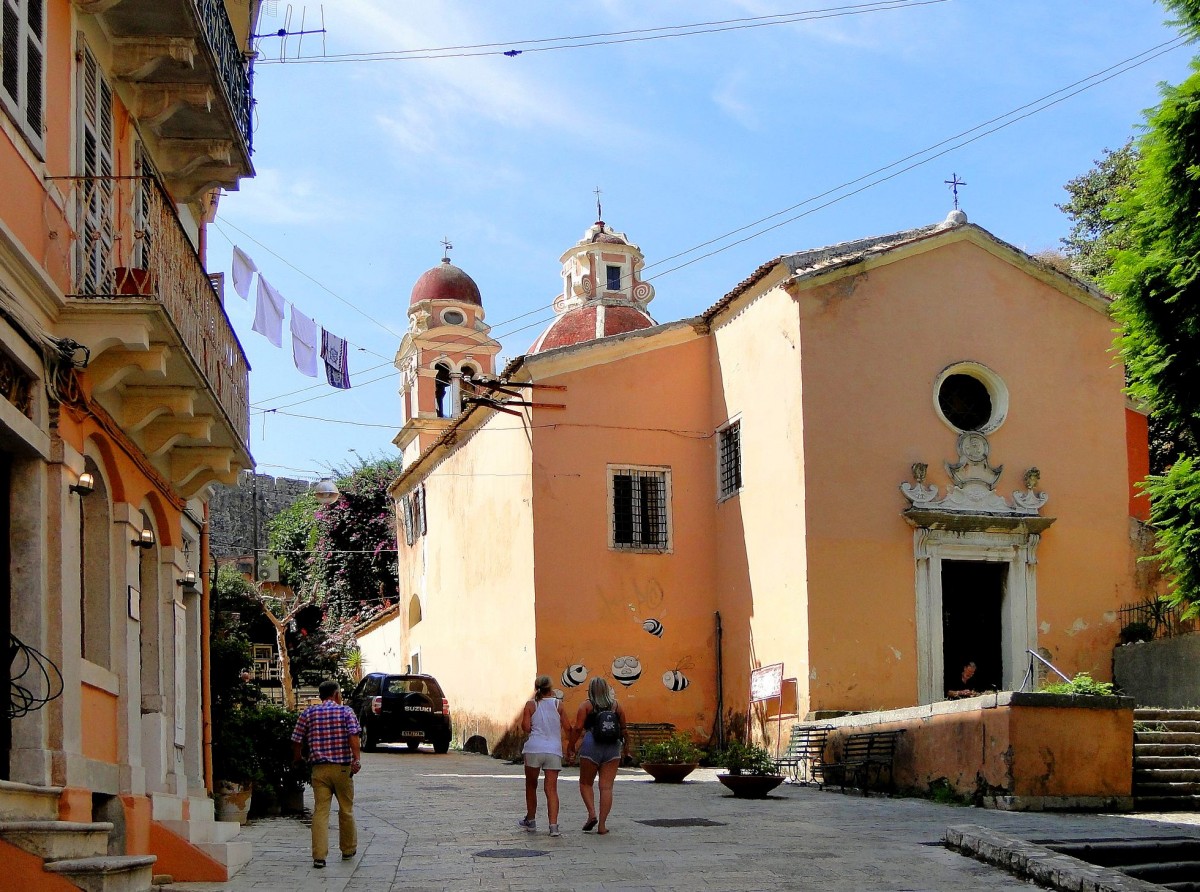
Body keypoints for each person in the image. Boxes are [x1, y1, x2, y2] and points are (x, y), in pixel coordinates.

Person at [291, 679, 362, 869]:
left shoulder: (309, 713)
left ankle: (319, 856)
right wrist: (356, 759)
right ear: (337, 694)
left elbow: (296, 739)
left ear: (321, 695)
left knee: (321, 811)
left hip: (319, 770)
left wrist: (298, 759)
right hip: (342, 769)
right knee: (346, 809)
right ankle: (348, 850)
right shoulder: (346, 711)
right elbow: (353, 737)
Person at [569, 677, 629, 835]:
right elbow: (623, 729)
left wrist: (571, 746)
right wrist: (627, 749)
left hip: (591, 745)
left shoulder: (586, 705)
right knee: (606, 787)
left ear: (590, 690)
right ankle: (602, 825)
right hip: (612, 747)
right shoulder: (617, 706)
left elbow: (578, 728)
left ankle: (592, 814)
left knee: (585, 783)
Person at [518, 675, 571, 837]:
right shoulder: (558, 704)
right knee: (551, 789)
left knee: (531, 786)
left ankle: (531, 820)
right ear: (551, 688)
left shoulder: (530, 705)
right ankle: (553, 826)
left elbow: (526, 727)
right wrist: (571, 747)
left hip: (534, 749)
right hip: (553, 750)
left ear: (536, 688)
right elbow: (568, 728)